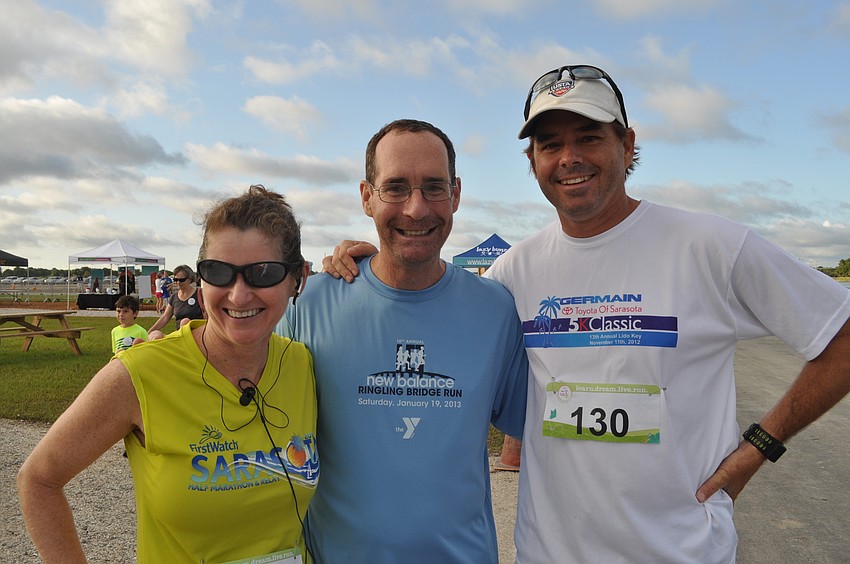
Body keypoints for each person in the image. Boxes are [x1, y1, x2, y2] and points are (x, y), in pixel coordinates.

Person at [322, 65, 850, 563]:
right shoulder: (512, 273)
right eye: (550, 144)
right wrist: (366, 266)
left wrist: (759, 445)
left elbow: (840, 332)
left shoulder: (711, 246)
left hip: (681, 551)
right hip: (549, 551)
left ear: (627, 144)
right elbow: (435, 310)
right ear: (533, 162)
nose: (569, 156)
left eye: (589, 137)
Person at [18, 185, 319, 563]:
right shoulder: (141, 373)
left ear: (298, 279)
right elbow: (39, 479)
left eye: (263, 273)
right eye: (219, 272)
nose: (239, 295)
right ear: (201, 278)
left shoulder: (305, 365)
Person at [276, 119, 527, 563]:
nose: (416, 208)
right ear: (366, 197)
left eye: (434, 187)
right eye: (395, 187)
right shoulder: (308, 306)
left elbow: (551, 431)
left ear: (456, 194)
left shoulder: (496, 311)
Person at [147, 264, 204, 339]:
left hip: (198, 337)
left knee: (185, 321)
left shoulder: (200, 294)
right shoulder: (174, 297)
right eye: (175, 280)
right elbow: (165, 317)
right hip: (181, 337)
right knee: (156, 336)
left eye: (181, 280)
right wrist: (149, 332)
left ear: (190, 279)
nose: (178, 282)